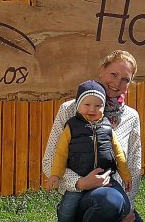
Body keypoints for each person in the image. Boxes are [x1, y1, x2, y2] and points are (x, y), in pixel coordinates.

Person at [43, 50, 143, 222]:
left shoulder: (131, 116)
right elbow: (49, 162)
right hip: (80, 198)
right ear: (101, 70)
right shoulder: (69, 110)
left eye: (125, 79)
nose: (117, 83)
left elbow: (133, 166)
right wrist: (80, 182)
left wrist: (128, 207)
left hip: (117, 197)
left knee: (116, 206)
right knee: (107, 202)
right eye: (113, 74)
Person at [48, 80, 133, 222]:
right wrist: (55, 174)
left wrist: (125, 175)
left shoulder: (107, 127)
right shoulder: (72, 127)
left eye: (98, 106)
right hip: (79, 177)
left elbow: (118, 154)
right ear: (78, 106)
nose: (92, 109)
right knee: (67, 211)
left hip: (105, 178)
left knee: (126, 207)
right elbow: (61, 153)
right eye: (87, 105)